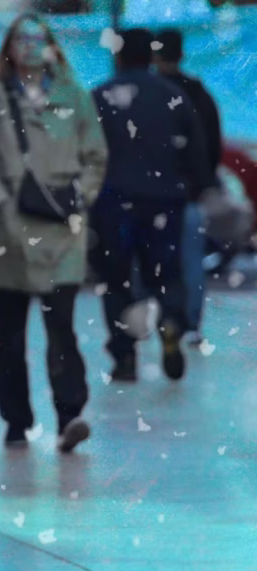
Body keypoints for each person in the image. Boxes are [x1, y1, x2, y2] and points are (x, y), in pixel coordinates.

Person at [0, 14, 108, 452]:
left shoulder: (75, 98)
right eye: (21, 38)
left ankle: (69, 415)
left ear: (51, 46)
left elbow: (95, 157)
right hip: (7, 234)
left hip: (62, 233)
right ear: (9, 46)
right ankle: (16, 421)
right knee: (9, 336)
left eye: (38, 38)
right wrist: (3, 205)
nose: (30, 46)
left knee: (61, 327)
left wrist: (80, 194)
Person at [91, 29, 210, 382]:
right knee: (166, 273)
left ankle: (125, 354)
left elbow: (86, 153)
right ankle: (172, 320)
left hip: (114, 201)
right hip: (165, 200)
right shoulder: (172, 96)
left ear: (118, 56)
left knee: (117, 281)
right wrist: (191, 188)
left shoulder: (101, 97)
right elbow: (197, 153)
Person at [154, 28, 223, 346]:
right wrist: (200, 182)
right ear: (182, 54)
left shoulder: (148, 93)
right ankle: (191, 323)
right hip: (187, 194)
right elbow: (211, 145)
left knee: (149, 260)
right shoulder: (197, 94)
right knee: (191, 260)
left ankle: (161, 317)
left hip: (149, 194)